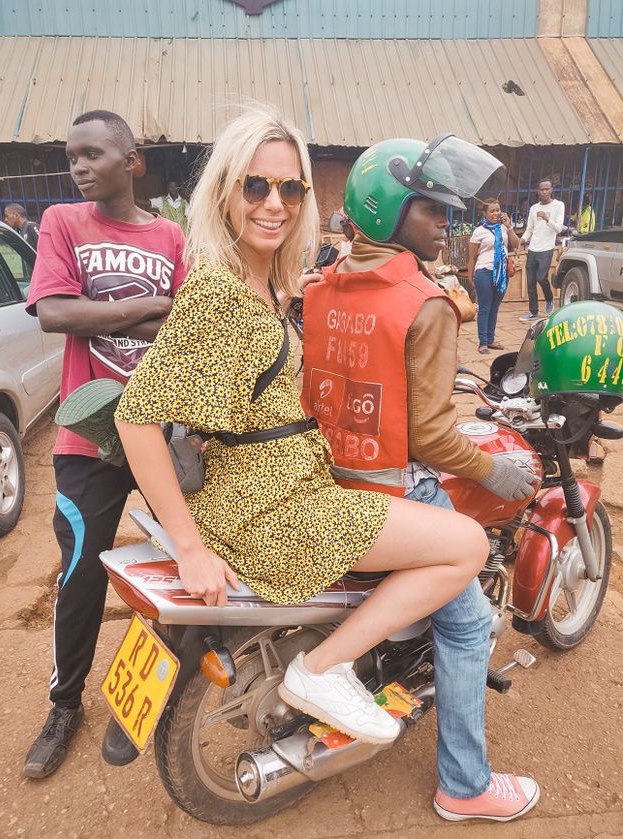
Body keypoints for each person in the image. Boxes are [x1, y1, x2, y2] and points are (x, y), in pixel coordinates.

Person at [113, 106, 505, 786]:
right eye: (256, 186)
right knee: (467, 543)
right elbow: (135, 417)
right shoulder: (219, 293)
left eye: (290, 189)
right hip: (272, 511)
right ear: (226, 190)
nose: (274, 203)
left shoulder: (268, 283)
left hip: (286, 484)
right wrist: (192, 546)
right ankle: (321, 669)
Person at [301, 136, 540, 822]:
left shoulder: (322, 285)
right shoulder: (426, 302)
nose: (447, 222)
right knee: (469, 622)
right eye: (431, 209)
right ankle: (464, 785)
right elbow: (433, 437)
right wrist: (496, 468)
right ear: (388, 211)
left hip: (328, 478)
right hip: (395, 486)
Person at [22, 109, 186, 779]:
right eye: (72, 156)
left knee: (180, 564)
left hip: (161, 432)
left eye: (93, 153)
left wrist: (106, 311)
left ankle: (144, 688)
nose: (79, 165)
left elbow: (184, 325)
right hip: (85, 438)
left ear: (133, 161)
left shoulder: (171, 234)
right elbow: (55, 313)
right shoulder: (63, 222)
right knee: (81, 574)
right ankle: (65, 704)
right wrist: (142, 309)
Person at [468, 198, 520, 353]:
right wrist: (471, 277)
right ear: (485, 213)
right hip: (484, 271)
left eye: (498, 210)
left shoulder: (504, 228)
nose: (496, 213)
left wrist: (509, 226)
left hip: (501, 273)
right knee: (485, 307)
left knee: (495, 307)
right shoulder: (479, 232)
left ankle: (491, 340)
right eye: (492, 210)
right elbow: (472, 258)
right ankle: (482, 342)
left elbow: (516, 244)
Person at [519, 178, 564, 321]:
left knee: (541, 278)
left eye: (547, 189)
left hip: (547, 248)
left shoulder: (558, 206)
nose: (544, 192)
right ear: (538, 191)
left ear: (551, 190)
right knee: (531, 281)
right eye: (541, 189)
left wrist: (546, 218)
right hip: (533, 248)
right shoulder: (533, 208)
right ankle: (533, 311)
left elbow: (558, 228)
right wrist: (523, 240)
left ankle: (549, 298)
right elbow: (530, 229)